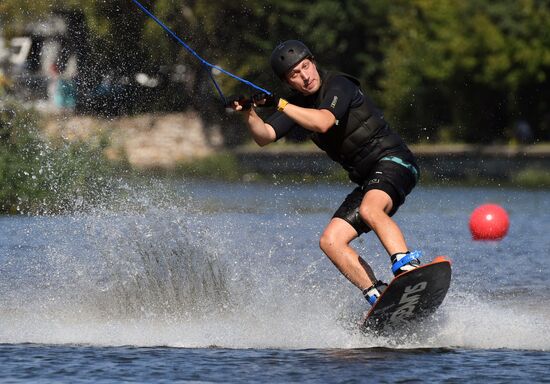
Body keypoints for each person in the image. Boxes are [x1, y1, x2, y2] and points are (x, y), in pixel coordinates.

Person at [229, 40, 421, 306]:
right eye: (295, 74)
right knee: (330, 241)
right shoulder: (297, 105)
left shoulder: (338, 84)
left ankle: (407, 266)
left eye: (306, 67)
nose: (305, 76)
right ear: (288, 81)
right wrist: (249, 113)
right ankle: (377, 295)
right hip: (368, 182)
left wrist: (279, 104)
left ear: (313, 61)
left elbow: (323, 121)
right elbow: (265, 136)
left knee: (369, 210)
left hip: (395, 161)